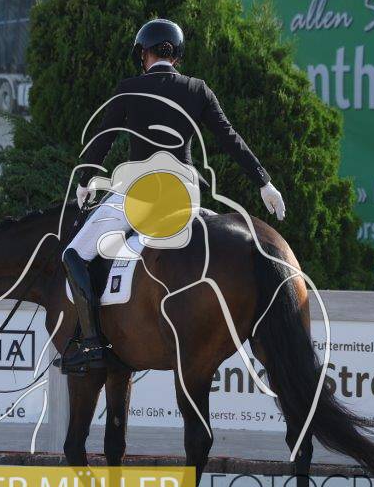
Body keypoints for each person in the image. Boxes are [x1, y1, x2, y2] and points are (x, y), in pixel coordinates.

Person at [60, 18, 286, 374]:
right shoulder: (197, 89)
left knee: (73, 254)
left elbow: (103, 139)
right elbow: (230, 138)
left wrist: (86, 179)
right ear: (176, 56)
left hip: (139, 197)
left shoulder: (129, 89)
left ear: (143, 54)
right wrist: (264, 182)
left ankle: (91, 343)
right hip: (184, 197)